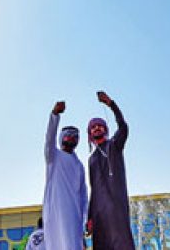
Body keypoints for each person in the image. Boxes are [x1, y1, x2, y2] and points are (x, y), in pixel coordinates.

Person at [86, 91, 134, 249]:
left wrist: (111, 104)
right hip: (99, 213)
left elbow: (123, 127)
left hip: (117, 208)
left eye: (99, 125)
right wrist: (90, 216)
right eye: (93, 127)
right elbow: (93, 189)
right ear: (90, 134)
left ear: (105, 129)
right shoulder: (91, 159)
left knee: (122, 243)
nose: (96, 128)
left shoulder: (114, 146)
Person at [42, 101, 88, 250]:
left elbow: (83, 196)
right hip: (55, 212)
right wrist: (55, 115)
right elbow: (49, 139)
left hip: (74, 217)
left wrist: (86, 219)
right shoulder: (53, 156)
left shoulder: (79, 165)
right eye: (68, 136)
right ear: (61, 137)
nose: (71, 139)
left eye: (75, 137)